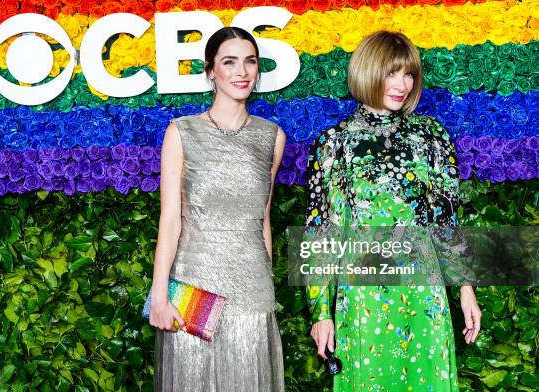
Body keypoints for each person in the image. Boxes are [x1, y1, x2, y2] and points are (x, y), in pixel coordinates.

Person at [305, 31, 482, 391]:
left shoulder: (431, 135)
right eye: (391, 73)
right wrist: (321, 312)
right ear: (367, 73)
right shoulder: (335, 143)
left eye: (409, 74)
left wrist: (466, 289)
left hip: (423, 290)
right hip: (362, 291)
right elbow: (321, 231)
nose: (402, 84)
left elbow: (446, 219)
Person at [149, 26, 286, 391]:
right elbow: (170, 220)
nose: (241, 71)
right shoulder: (182, 132)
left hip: (252, 288)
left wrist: (266, 285)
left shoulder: (272, 137)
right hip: (195, 286)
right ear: (211, 70)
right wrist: (158, 295)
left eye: (250, 61)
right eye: (230, 62)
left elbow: (263, 220)